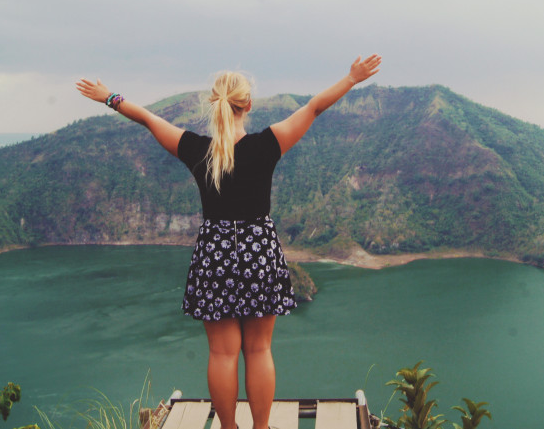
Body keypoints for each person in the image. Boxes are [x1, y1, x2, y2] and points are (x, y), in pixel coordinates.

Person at [75, 54, 382, 429]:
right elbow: (314, 107)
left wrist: (109, 97)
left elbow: (148, 118)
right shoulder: (268, 144)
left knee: (221, 353)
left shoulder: (196, 149)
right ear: (247, 105)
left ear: (213, 103)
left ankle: (228, 427)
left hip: (214, 253)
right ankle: (261, 427)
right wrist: (351, 78)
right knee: (259, 349)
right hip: (259, 250)